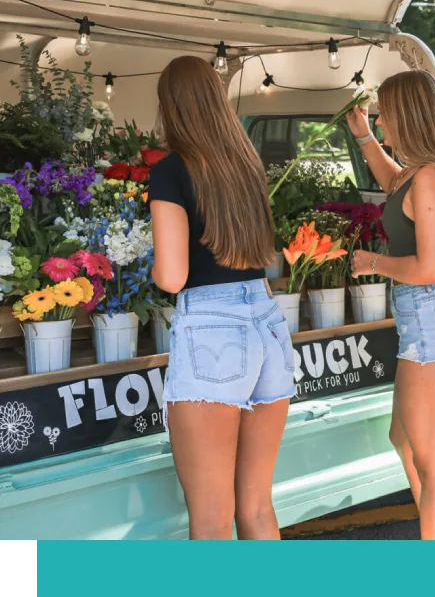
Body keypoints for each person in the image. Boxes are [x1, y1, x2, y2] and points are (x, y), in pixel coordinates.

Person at [148, 55, 295, 540]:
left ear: (171, 107)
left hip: (212, 329)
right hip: (267, 323)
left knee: (211, 520)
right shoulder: (246, 165)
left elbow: (171, 277)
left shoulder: (171, 171)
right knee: (256, 508)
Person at [346, 70, 435, 540]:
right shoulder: (420, 175)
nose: (382, 120)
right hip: (427, 319)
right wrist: (364, 136)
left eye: (384, 113)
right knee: (404, 441)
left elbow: (430, 267)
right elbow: (393, 185)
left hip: (433, 318)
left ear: (407, 114)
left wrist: (374, 263)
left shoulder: (430, 178)